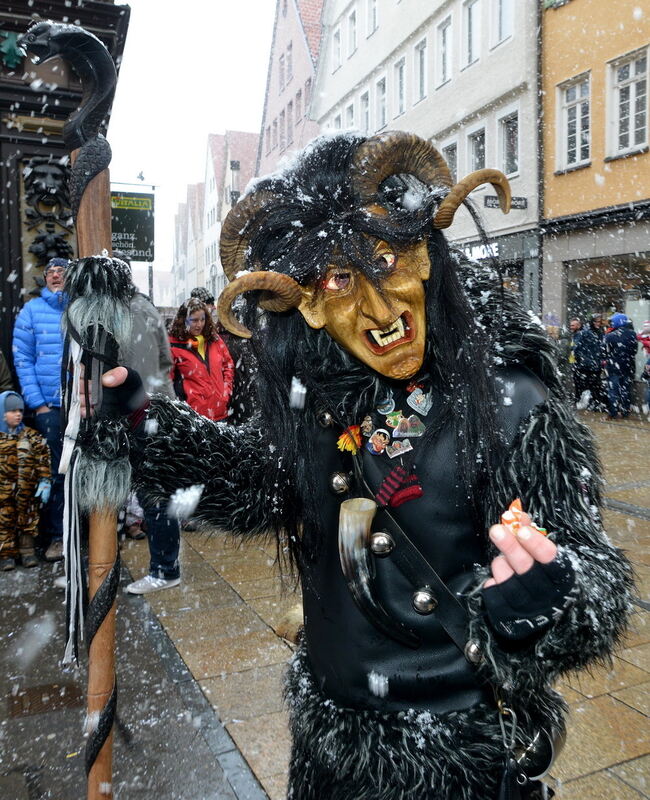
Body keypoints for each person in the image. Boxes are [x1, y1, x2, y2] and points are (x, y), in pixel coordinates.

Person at [85, 132, 632, 800]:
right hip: (329, 751)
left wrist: (548, 597)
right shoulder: (318, 398)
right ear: (307, 302)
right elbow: (255, 486)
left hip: (457, 760)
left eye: (387, 258)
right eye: (341, 281)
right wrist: (146, 423)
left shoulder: (510, 400)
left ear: (427, 258)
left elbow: (593, 578)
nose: (379, 310)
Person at [112, 253, 182, 594]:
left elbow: (119, 371)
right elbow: (165, 360)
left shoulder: (124, 312)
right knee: (155, 491)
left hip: (136, 414)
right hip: (156, 409)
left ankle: (164, 569)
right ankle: (164, 565)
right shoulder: (146, 307)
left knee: (152, 493)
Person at [12, 257, 68, 561]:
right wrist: (40, 405)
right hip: (50, 408)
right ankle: (56, 537)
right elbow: (23, 359)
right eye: (51, 272)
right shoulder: (32, 311)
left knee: (82, 471)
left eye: (61, 272)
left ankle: (82, 534)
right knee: (55, 473)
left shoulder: (78, 309)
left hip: (80, 406)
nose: (55, 276)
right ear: (44, 278)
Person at [0, 391, 51, 570]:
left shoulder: (31, 436)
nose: (18, 414)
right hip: (3, 494)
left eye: (20, 410)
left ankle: (27, 552)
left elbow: (43, 458)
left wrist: (45, 480)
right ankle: (6, 554)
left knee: (27, 522)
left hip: (27, 492)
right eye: (12, 411)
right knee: (4, 523)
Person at [168, 297, 234, 420]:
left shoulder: (214, 339)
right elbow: (167, 382)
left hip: (221, 414)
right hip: (193, 419)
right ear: (184, 320)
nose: (199, 325)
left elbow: (228, 365)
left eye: (202, 320)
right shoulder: (173, 346)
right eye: (194, 320)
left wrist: (226, 392)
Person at [604, 312, 638, 419]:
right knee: (626, 390)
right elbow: (634, 351)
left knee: (613, 390)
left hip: (614, 367)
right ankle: (625, 411)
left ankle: (613, 412)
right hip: (628, 367)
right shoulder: (632, 334)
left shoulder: (610, 336)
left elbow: (604, 351)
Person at [573, 312, 605, 411]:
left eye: (599, 321)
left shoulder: (599, 332)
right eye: (596, 321)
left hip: (596, 365)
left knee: (596, 386)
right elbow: (576, 348)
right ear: (592, 321)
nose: (598, 323)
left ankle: (594, 403)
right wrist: (584, 359)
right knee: (586, 385)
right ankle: (585, 403)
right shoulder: (585, 332)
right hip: (587, 365)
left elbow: (601, 348)